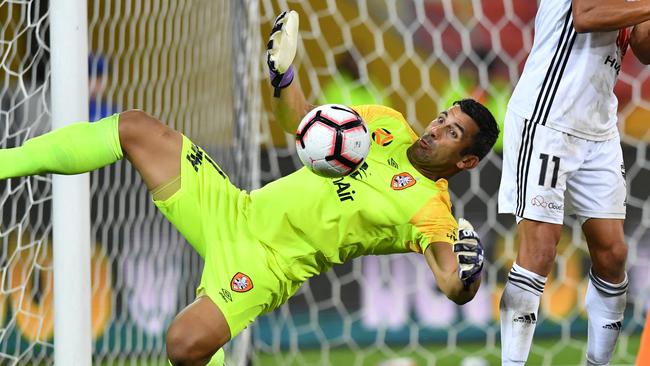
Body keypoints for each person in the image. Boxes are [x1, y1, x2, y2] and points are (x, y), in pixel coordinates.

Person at [0, 11, 498, 366]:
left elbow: (452, 284)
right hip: (235, 208)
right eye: (441, 117)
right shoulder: (384, 124)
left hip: (264, 265)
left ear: (467, 160)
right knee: (134, 127)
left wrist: (470, 277)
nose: (435, 129)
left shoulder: (432, 210)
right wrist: (285, 76)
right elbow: (301, 125)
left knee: (183, 344)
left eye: (452, 132)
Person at [497, 1, 650, 365]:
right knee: (540, 251)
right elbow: (585, 17)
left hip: (598, 127)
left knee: (613, 255)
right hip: (547, 118)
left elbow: (643, 52)